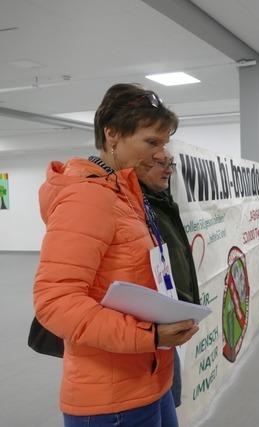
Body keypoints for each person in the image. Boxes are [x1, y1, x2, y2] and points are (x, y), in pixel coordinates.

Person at [33, 83, 199, 427]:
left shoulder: (125, 194)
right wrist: (149, 335)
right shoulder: (88, 198)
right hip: (113, 401)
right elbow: (55, 302)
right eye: (150, 142)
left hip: (148, 377)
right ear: (112, 134)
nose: (161, 154)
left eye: (164, 143)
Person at [134, 150, 202, 408]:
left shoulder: (160, 201)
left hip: (164, 323)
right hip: (147, 329)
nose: (169, 170)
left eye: (170, 164)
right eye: (161, 163)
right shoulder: (133, 205)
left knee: (170, 400)